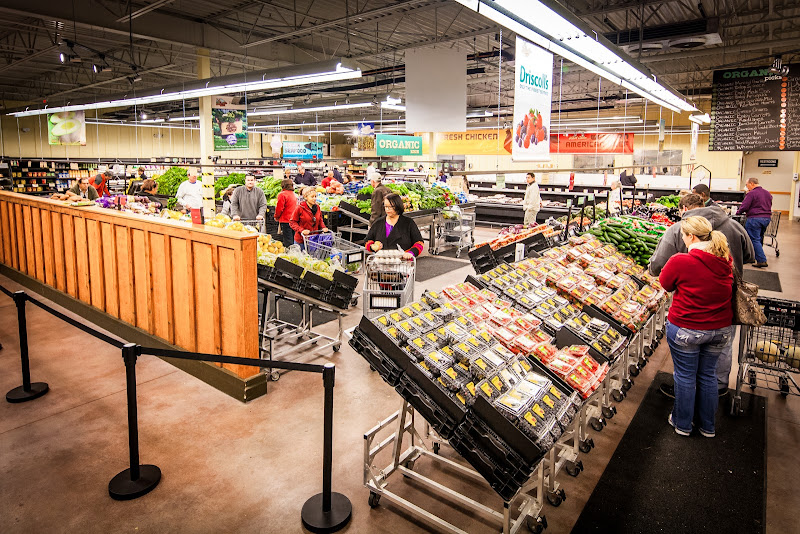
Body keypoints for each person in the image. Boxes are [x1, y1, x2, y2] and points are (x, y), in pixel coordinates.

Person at [650, 194, 754, 398]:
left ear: (684, 209)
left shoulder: (678, 230)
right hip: (727, 301)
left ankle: (685, 405)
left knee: (687, 360)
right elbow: (750, 254)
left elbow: (658, 266)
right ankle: (719, 386)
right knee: (721, 348)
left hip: (690, 310)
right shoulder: (733, 226)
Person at [660, 216, 734, 438]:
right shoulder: (725, 261)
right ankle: (708, 426)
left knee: (684, 375)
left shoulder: (681, 260)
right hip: (720, 330)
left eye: (683, 235)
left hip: (687, 328)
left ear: (691, 236)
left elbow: (665, 283)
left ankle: (682, 424)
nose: (682, 239)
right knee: (708, 375)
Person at [365, 193, 424, 259]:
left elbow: (419, 243)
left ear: (398, 206)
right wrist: (372, 247)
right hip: (381, 263)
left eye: (390, 207)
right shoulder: (378, 223)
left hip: (403, 264)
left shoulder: (408, 223)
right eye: (386, 206)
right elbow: (367, 241)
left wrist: (411, 253)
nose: (387, 209)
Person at [737, 177, 773, 268]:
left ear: (752, 184)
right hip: (766, 218)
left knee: (754, 239)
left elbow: (744, 206)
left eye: (747, 185)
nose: (746, 187)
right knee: (759, 238)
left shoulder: (751, 193)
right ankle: (757, 256)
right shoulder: (767, 193)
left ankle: (761, 260)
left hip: (755, 219)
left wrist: (738, 212)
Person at [274, 179, 298, 249]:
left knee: (287, 240)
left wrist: (276, 216)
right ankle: (294, 253)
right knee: (292, 239)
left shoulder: (282, 194)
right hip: (294, 220)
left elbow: (279, 208)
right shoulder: (293, 194)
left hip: (286, 220)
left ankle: (289, 254)